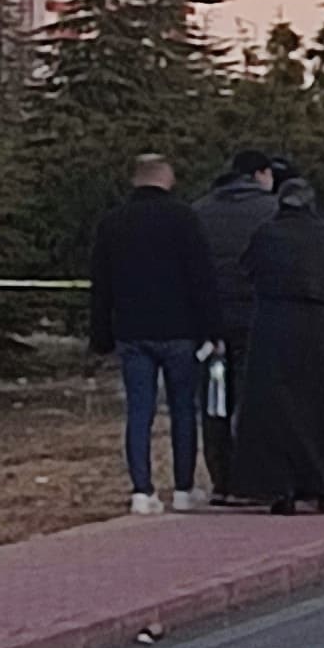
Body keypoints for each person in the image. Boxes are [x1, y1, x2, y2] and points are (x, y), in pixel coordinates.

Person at [87, 150, 224, 514]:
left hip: (132, 331)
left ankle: (142, 490)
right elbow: (202, 278)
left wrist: (100, 335)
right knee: (183, 411)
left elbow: (101, 285)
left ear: (135, 179)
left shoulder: (112, 223)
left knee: (139, 411)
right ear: (167, 178)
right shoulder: (184, 218)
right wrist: (212, 328)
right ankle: (183, 488)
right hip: (180, 330)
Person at [236, 175, 324, 514]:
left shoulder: (267, 234)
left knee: (275, 411)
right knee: (319, 410)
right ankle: (321, 485)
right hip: (319, 333)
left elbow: (248, 270)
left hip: (273, 329)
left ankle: (280, 488)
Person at [190, 148, 282, 501]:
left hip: (211, 322)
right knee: (254, 399)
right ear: (260, 174)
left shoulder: (199, 211)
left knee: (215, 401)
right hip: (258, 318)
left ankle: (221, 480)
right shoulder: (272, 211)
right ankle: (252, 479)